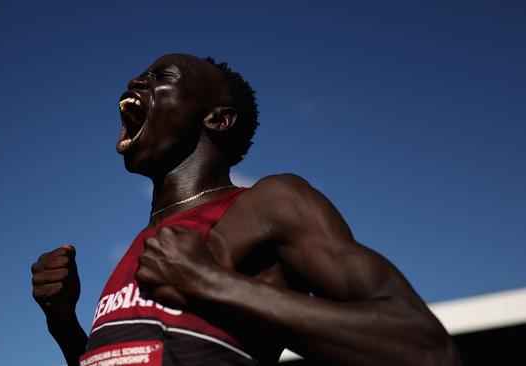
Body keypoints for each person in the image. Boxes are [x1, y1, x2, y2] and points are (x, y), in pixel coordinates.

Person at [31, 54, 461, 366]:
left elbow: (425, 349)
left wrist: (210, 283)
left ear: (217, 119)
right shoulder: (145, 246)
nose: (135, 80)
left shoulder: (270, 204)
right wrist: (65, 326)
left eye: (160, 76)